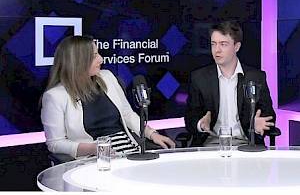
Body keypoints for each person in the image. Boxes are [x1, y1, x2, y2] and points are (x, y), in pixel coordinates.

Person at [41, 35, 175, 159]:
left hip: (129, 150)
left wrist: (152, 134)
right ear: (78, 61)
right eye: (94, 56)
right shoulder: (55, 96)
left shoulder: (107, 77)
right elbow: (56, 143)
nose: (101, 59)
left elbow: (127, 114)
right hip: (94, 159)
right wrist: (94, 149)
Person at [185, 20, 276, 147]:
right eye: (213, 44)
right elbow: (190, 118)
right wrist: (201, 124)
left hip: (246, 143)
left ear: (236, 47)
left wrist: (257, 126)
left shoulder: (255, 77)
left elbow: (269, 115)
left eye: (223, 44)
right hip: (210, 143)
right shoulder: (199, 78)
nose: (217, 50)